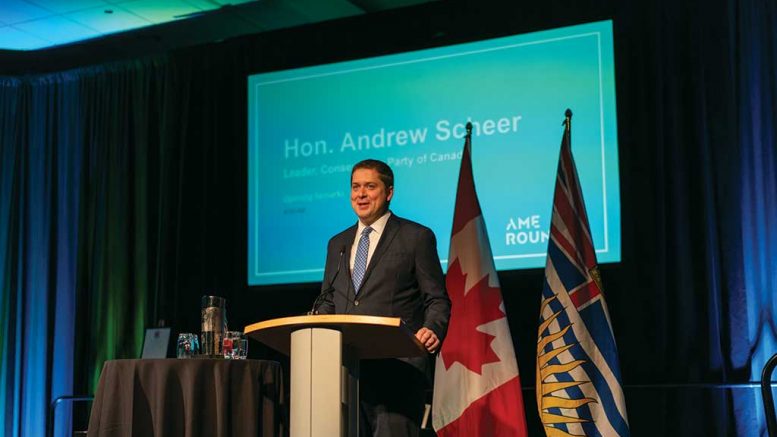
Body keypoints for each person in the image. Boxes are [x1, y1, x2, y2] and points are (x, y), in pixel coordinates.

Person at [317, 158, 451, 437]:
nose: (360, 194)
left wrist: (433, 329)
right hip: (347, 371)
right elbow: (328, 301)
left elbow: (437, 299)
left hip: (398, 371)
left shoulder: (416, 237)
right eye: (355, 187)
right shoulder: (337, 244)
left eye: (370, 186)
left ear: (389, 192)